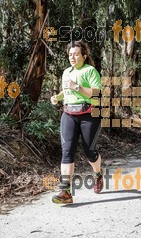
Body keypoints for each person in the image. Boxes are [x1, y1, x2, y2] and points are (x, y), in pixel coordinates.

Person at [50, 40, 103, 204]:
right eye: (70, 54)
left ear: (84, 56)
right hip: (69, 114)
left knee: (89, 151)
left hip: (89, 114)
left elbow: (97, 95)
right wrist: (57, 97)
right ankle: (65, 191)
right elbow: (66, 91)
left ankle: (98, 174)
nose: (72, 57)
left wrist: (77, 87)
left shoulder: (90, 71)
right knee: (67, 151)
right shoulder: (66, 72)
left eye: (76, 54)